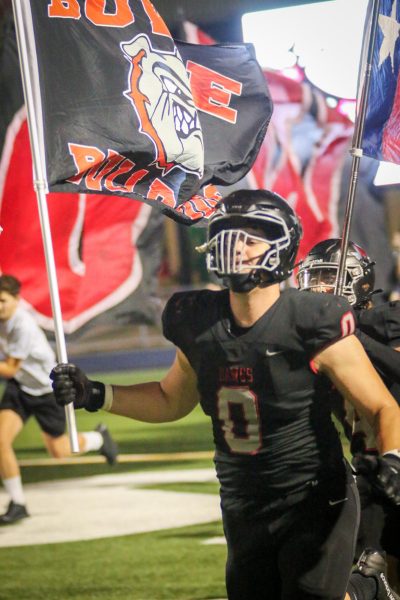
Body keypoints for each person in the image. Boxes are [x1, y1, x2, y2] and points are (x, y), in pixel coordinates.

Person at [50, 190, 400, 600]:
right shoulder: (198, 320)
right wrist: (97, 393)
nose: (237, 246)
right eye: (228, 234)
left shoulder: (310, 319)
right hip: (241, 502)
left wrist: (392, 459)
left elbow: (381, 406)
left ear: (282, 245)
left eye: (252, 237)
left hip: (312, 497)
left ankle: (363, 589)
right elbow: (169, 400)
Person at [297, 238, 400, 594]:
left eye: (330, 275)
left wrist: (350, 335)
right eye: (315, 276)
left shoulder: (389, 319)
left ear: (362, 282)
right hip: (371, 476)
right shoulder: (314, 336)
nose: (320, 286)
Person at [0, 275, 118, 526]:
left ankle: (99, 438)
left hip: (46, 390)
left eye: (3, 301)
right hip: (20, 388)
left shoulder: (22, 326)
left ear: (17, 300)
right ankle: (18, 502)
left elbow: (9, 368)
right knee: (0, 441)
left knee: (59, 451)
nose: (0, 306)